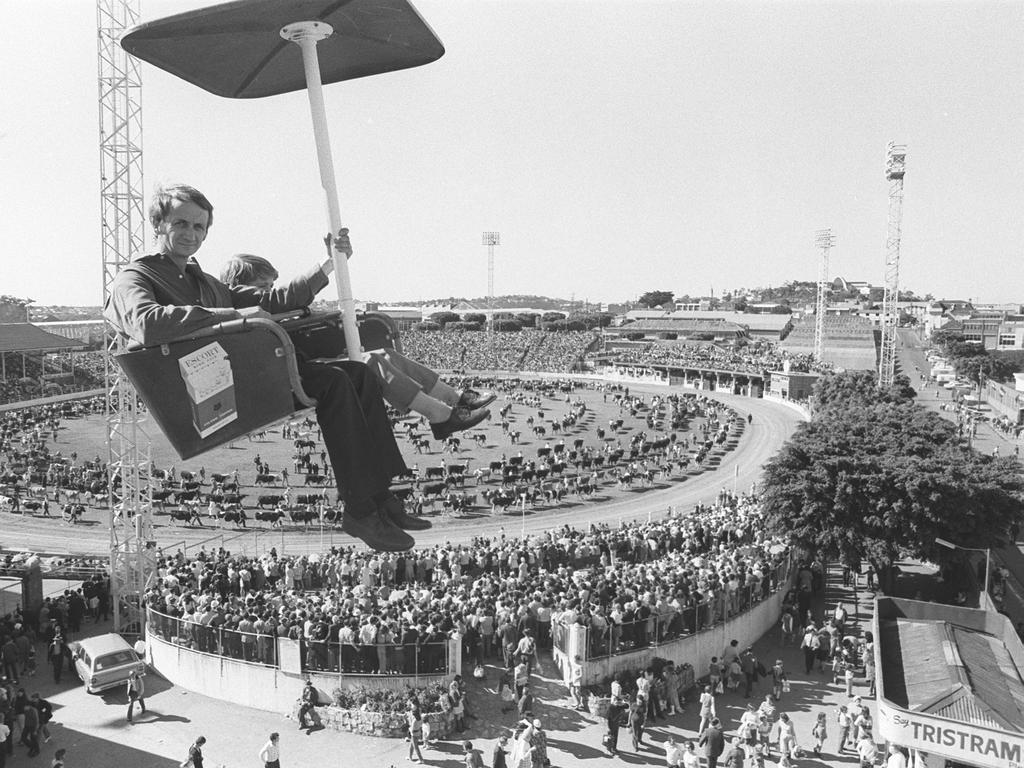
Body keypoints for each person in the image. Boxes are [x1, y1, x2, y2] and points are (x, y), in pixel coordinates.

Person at [103, 184, 417, 552]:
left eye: (199, 227)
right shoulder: (135, 278)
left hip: (237, 376)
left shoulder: (205, 283)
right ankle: (361, 510)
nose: (190, 234)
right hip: (205, 391)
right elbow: (146, 322)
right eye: (181, 223)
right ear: (158, 223)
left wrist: (328, 262)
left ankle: (381, 497)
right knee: (333, 381)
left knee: (357, 373)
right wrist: (231, 314)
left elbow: (273, 301)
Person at [220, 254, 493, 441]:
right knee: (370, 363)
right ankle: (440, 415)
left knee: (384, 355)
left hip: (294, 367)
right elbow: (284, 298)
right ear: (240, 286)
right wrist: (329, 263)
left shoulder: (258, 308)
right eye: (262, 286)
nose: (268, 292)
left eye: (270, 286)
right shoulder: (240, 301)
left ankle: (455, 399)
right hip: (288, 377)